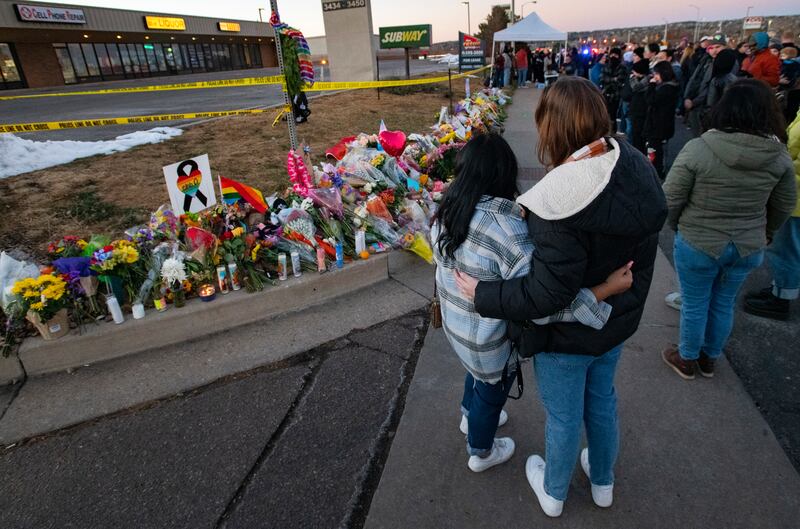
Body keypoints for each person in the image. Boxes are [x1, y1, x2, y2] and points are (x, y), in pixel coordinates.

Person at [454, 77, 667, 517]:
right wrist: (612, 293)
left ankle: (553, 492)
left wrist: (486, 294)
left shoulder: (559, 200)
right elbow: (640, 256)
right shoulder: (632, 164)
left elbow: (545, 294)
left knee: (565, 415)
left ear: (551, 127)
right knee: (602, 402)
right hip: (615, 322)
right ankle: (602, 480)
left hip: (567, 337)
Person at [432, 133, 631, 473]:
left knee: (476, 378)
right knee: (491, 393)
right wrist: (603, 291)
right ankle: (480, 450)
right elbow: (540, 302)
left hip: (459, 331)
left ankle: (468, 414)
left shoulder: (446, 213)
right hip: (490, 342)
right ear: (504, 175)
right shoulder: (509, 231)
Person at [661, 79, 796, 380]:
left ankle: (687, 358)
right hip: (748, 244)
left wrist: (677, 225)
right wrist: (767, 231)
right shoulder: (779, 156)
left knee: (695, 304)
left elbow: (671, 198)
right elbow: (785, 203)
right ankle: (709, 358)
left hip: (698, 240)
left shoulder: (699, 148)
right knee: (723, 302)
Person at [744, 108, 800, 320]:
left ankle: (781, 299)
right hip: (792, 194)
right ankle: (780, 288)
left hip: (795, 198)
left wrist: (778, 171)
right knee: (785, 249)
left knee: (786, 250)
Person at [684, 34, 727, 136]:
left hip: (708, 108)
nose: (714, 50)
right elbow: (694, 79)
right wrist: (687, 96)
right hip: (697, 105)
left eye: (718, 47)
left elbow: (710, 88)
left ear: (725, 47)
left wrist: (694, 102)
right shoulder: (705, 60)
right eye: (711, 47)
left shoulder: (726, 64)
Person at [645, 60, 681, 179]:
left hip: (658, 126)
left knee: (655, 151)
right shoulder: (672, 87)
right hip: (663, 125)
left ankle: (656, 173)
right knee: (660, 151)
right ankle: (658, 170)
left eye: (656, 74)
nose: (654, 77)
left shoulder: (666, 89)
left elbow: (651, 100)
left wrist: (651, 85)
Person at [625, 59, 651, 153]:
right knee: (635, 135)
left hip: (640, 112)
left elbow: (635, 88)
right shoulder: (645, 81)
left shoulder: (644, 83)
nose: (633, 73)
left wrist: (632, 78)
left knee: (638, 137)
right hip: (637, 111)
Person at [602, 48, 628, 132]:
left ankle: (612, 131)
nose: (613, 56)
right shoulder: (606, 66)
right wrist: (614, 79)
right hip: (605, 93)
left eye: (615, 55)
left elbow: (620, 81)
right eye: (612, 54)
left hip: (616, 95)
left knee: (613, 115)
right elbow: (602, 79)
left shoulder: (622, 68)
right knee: (605, 114)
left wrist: (609, 80)